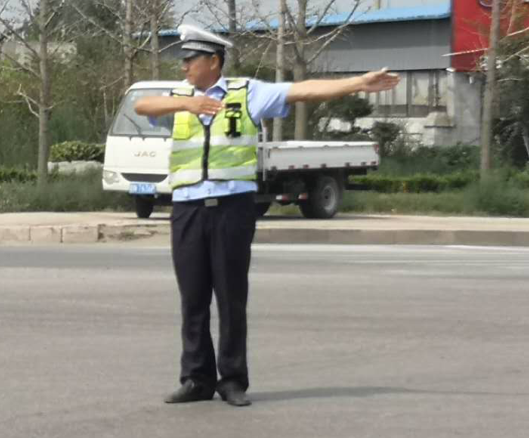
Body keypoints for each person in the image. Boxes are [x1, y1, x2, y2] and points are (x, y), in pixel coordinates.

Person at [135, 25, 400, 407]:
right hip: (188, 208)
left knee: (231, 297)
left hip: (232, 207)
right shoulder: (180, 97)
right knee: (192, 299)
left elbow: (304, 90)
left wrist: (358, 83)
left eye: (190, 60)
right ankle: (196, 379)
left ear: (213, 61)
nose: (184, 67)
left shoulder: (247, 92)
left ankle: (232, 381)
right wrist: (187, 105)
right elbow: (143, 106)